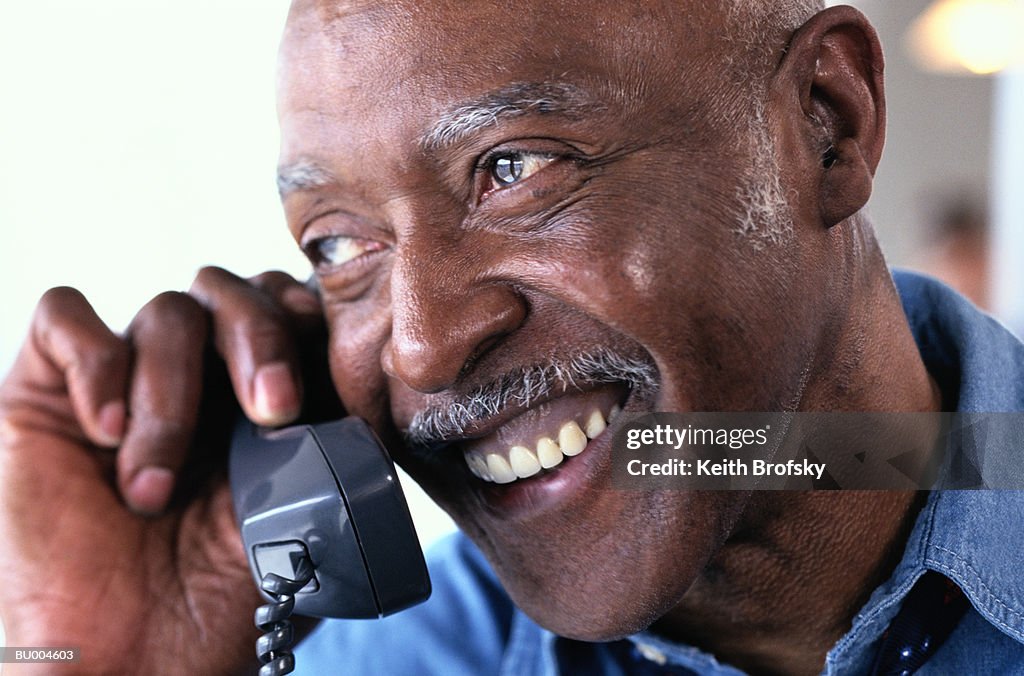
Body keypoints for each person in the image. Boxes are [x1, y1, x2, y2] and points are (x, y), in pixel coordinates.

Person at [1, 1, 1022, 674]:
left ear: (824, 122)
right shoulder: (390, 656)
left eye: (512, 169)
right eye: (339, 241)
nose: (421, 348)